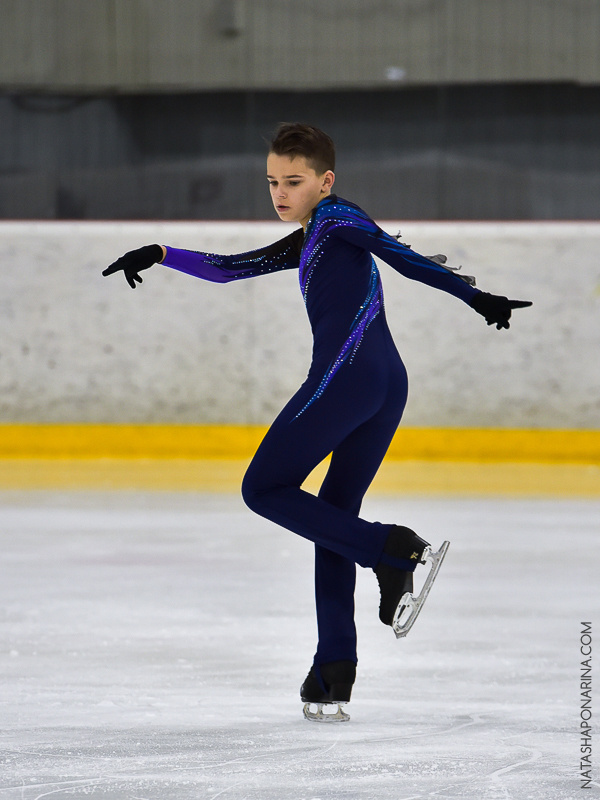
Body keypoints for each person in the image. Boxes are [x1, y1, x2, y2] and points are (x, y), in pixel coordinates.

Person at [103, 122, 531, 722]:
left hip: (349, 381)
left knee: (263, 489)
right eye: (273, 181)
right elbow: (230, 268)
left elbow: (400, 256)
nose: (280, 192)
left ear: (324, 182)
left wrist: (477, 298)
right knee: (331, 521)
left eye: (294, 181)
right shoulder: (310, 237)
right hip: (384, 385)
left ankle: (391, 549)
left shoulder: (335, 218)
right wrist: (161, 254)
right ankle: (334, 669)